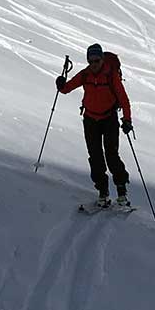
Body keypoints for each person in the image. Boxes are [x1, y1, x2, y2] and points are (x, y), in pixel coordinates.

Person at [57, 43, 133, 208]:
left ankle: (121, 191)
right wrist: (61, 84)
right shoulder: (85, 75)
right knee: (95, 155)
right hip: (90, 119)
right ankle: (103, 192)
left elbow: (124, 99)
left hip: (109, 118)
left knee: (111, 154)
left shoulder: (111, 76)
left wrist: (127, 120)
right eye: (90, 61)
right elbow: (67, 88)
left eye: (96, 61)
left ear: (102, 59)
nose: (93, 64)